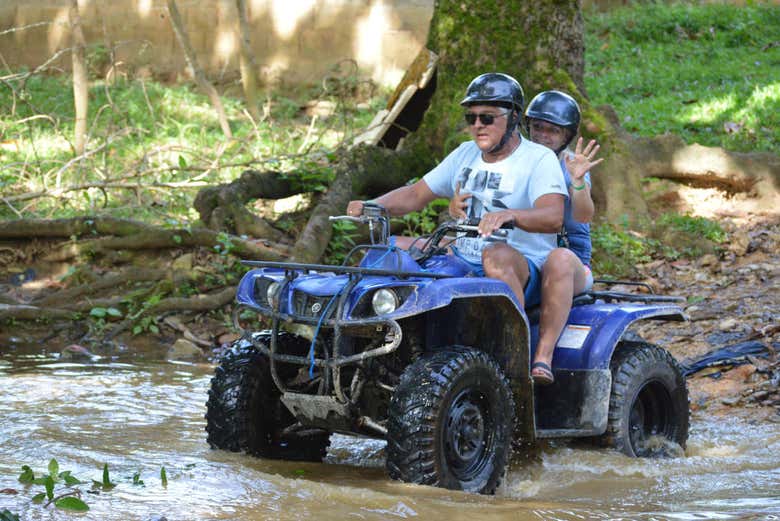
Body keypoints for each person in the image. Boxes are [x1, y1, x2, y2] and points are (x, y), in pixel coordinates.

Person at [347, 72, 567, 310]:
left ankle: (513, 333)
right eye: (471, 118)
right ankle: (370, 324)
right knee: (388, 249)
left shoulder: (539, 158)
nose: (478, 125)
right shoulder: (465, 152)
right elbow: (415, 194)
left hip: (521, 264)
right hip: (462, 256)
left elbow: (553, 217)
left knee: (495, 256)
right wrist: (372, 205)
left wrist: (511, 215)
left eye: (487, 118)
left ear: (513, 117)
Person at [522, 90, 603, 385]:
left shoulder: (569, 164)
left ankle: (542, 357)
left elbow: (583, 215)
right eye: (537, 127)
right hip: (524, 256)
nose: (542, 136)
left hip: (568, 261)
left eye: (552, 131)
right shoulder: (515, 160)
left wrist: (578, 182)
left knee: (558, 260)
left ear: (566, 135)